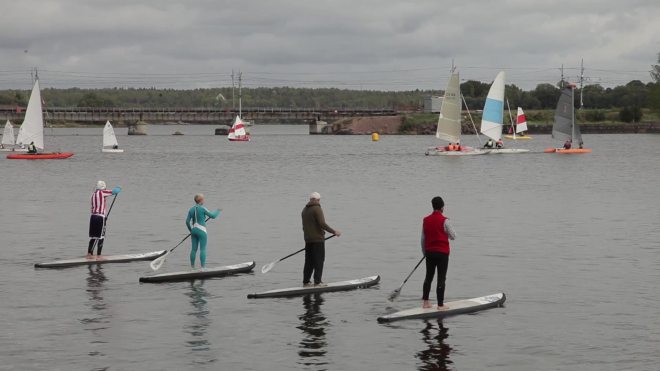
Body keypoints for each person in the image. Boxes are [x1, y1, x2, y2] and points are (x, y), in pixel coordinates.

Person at [421, 196, 456, 310]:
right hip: (442, 253)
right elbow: (453, 236)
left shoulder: (425, 220)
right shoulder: (445, 220)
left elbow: (423, 238)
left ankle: (426, 303)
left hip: (429, 253)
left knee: (428, 277)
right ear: (442, 207)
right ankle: (440, 305)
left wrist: (424, 252)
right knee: (441, 278)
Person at [301, 192, 341, 287]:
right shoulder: (317, 208)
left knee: (309, 261)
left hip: (308, 239)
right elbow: (322, 223)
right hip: (317, 239)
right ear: (318, 200)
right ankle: (317, 282)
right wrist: (334, 231)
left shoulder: (304, 210)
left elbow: (304, 227)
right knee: (319, 260)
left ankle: (306, 281)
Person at [87, 181, 121, 260]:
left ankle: (89, 254)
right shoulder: (102, 193)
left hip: (93, 216)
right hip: (100, 217)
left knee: (93, 236)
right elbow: (114, 192)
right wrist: (119, 188)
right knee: (101, 236)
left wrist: (104, 215)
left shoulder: (92, 195)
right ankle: (99, 256)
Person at [186, 194, 222, 271]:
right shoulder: (203, 209)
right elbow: (213, 216)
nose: (203, 200)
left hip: (194, 230)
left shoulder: (191, 210)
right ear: (201, 200)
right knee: (203, 249)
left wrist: (191, 231)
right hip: (201, 230)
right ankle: (203, 267)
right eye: (203, 199)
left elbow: (187, 222)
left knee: (193, 249)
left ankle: (192, 267)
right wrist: (218, 210)